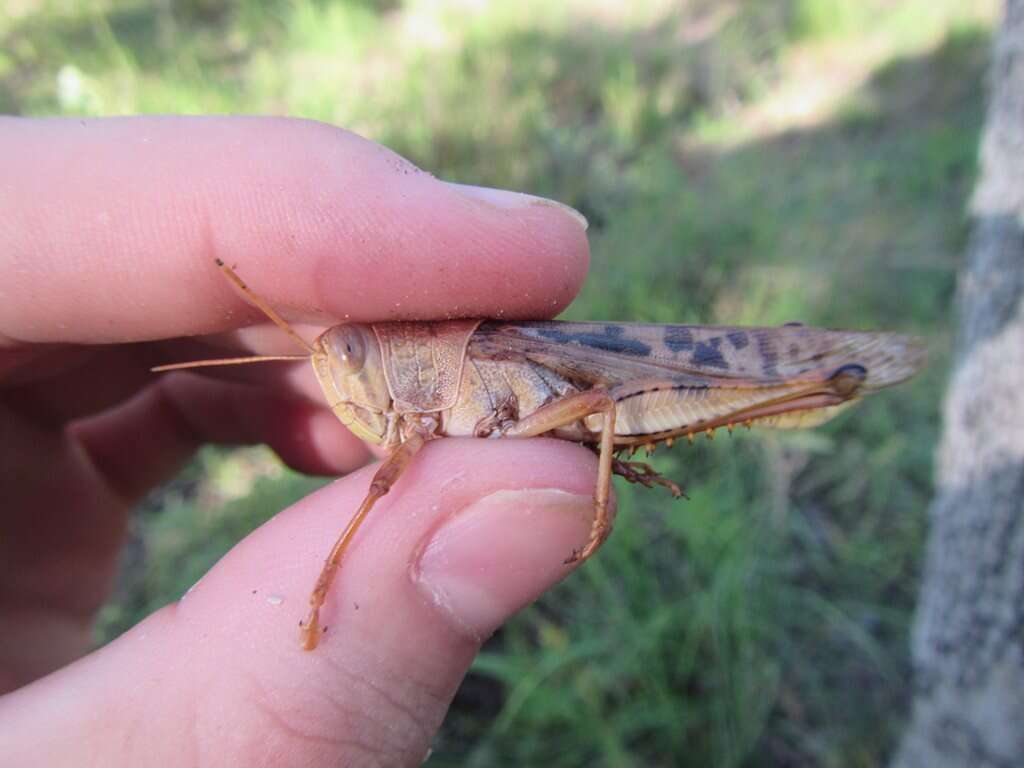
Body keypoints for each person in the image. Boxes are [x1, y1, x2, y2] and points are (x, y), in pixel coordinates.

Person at [0, 116, 601, 765]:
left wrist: (318, 602)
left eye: (345, 353)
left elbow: (592, 407)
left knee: (594, 407)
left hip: (601, 381)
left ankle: (323, 587)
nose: (338, 379)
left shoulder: (438, 369)